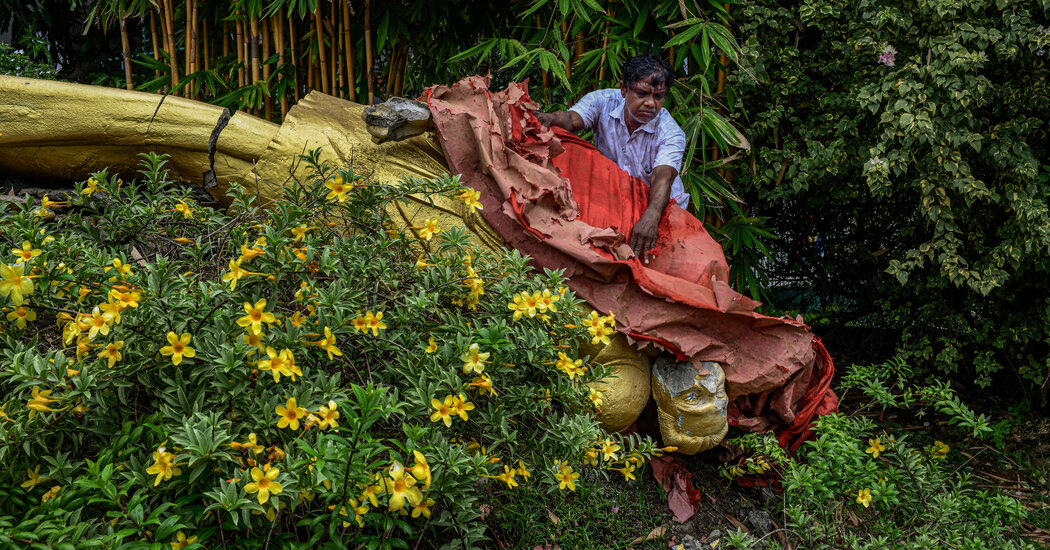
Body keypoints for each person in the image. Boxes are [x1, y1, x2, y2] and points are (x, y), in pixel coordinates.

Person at [535, 53, 688, 264]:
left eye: (659, 96)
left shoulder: (671, 132)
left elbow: (663, 177)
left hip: (660, 207)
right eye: (642, 94)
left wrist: (652, 217)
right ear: (624, 89)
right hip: (615, 197)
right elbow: (571, 120)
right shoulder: (603, 101)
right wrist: (548, 119)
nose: (651, 103)